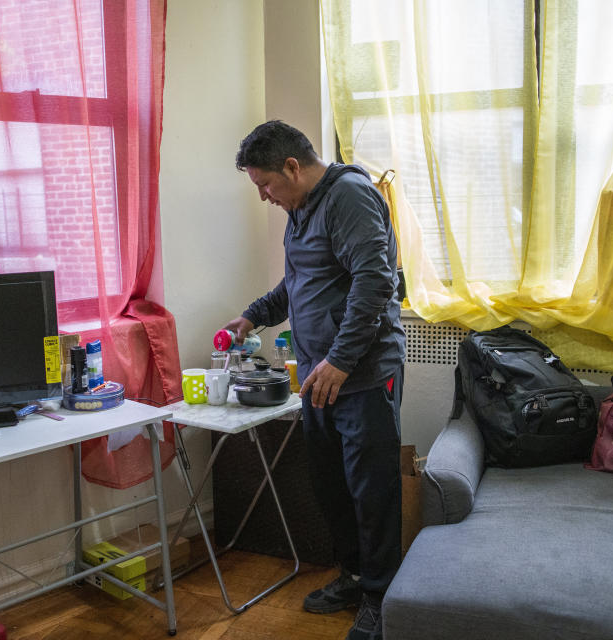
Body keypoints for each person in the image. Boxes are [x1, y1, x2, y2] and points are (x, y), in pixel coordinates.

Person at [224, 120, 405, 640]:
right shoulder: (300, 210)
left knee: (372, 490)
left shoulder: (348, 195)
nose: (263, 197)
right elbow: (300, 280)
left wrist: (342, 361)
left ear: (292, 167)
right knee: (332, 486)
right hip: (319, 376)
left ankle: (380, 597)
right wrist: (253, 316)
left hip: (362, 375)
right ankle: (352, 576)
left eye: (266, 185)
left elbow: (376, 282)